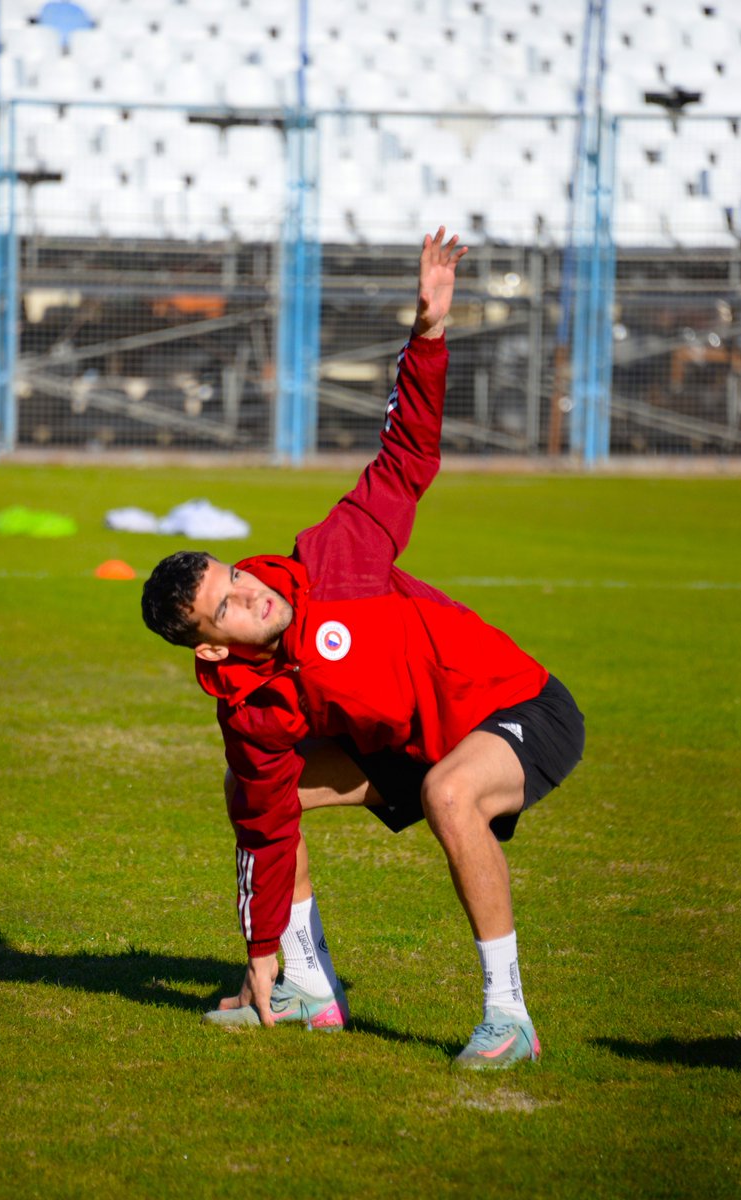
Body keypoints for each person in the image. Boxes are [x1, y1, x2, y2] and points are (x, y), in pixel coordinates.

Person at [141, 228, 585, 1069]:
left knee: (455, 795)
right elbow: (265, 834)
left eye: (235, 578)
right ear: (209, 652)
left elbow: (407, 454)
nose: (250, 595)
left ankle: (509, 1018)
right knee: (263, 794)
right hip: (412, 745)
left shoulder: (333, 558)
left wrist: (427, 334)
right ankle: (308, 991)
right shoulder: (251, 706)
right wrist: (263, 944)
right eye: (224, 609)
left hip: (515, 707)